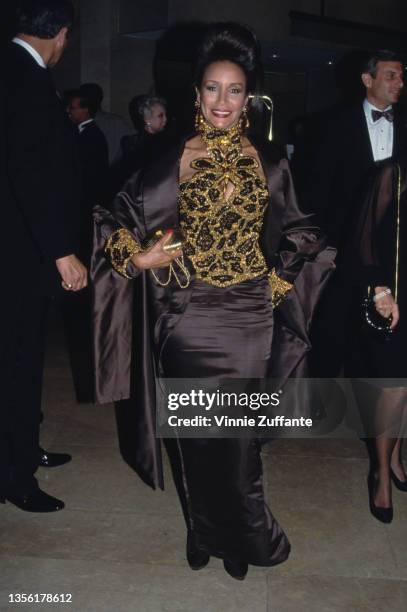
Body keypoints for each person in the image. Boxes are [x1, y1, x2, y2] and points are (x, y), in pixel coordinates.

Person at [92, 23, 335, 579]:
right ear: (196, 92)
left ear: (249, 97)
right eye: (212, 88)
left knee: (236, 442)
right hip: (187, 316)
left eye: (234, 90)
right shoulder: (168, 156)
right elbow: (113, 219)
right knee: (194, 438)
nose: (222, 101)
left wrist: (276, 284)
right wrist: (140, 257)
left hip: (249, 318)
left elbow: (304, 230)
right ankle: (203, 530)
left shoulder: (269, 160)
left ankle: (241, 537)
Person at [0, 0, 87, 513]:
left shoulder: (10, 71)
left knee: (16, 360)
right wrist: (62, 252)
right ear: (61, 33)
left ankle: (22, 451)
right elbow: (30, 174)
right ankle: (17, 478)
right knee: (19, 362)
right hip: (23, 253)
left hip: (15, 247)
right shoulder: (27, 81)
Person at [299, 50, 406, 377]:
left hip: (392, 256)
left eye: (401, 77)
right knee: (332, 334)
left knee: (380, 342)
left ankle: (370, 419)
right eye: (391, 75)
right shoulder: (331, 125)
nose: (400, 83)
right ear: (367, 79)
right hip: (341, 251)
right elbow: (316, 192)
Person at [348, 156, 407, 523]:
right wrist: (379, 289)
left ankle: (396, 458)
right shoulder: (393, 173)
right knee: (393, 389)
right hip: (396, 299)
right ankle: (380, 474)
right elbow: (363, 237)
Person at [64, 89, 109, 402]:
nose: (70, 111)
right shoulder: (84, 134)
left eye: (74, 108)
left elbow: (88, 181)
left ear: (87, 110)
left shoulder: (91, 137)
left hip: (85, 215)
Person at [110, 95, 173, 195]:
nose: (165, 119)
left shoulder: (167, 142)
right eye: (160, 116)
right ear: (147, 120)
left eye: (165, 114)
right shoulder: (132, 143)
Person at [79, 82, 133, 166]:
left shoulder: (116, 122)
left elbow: (132, 149)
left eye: (90, 97)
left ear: (98, 99)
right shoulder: (76, 124)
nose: (87, 101)